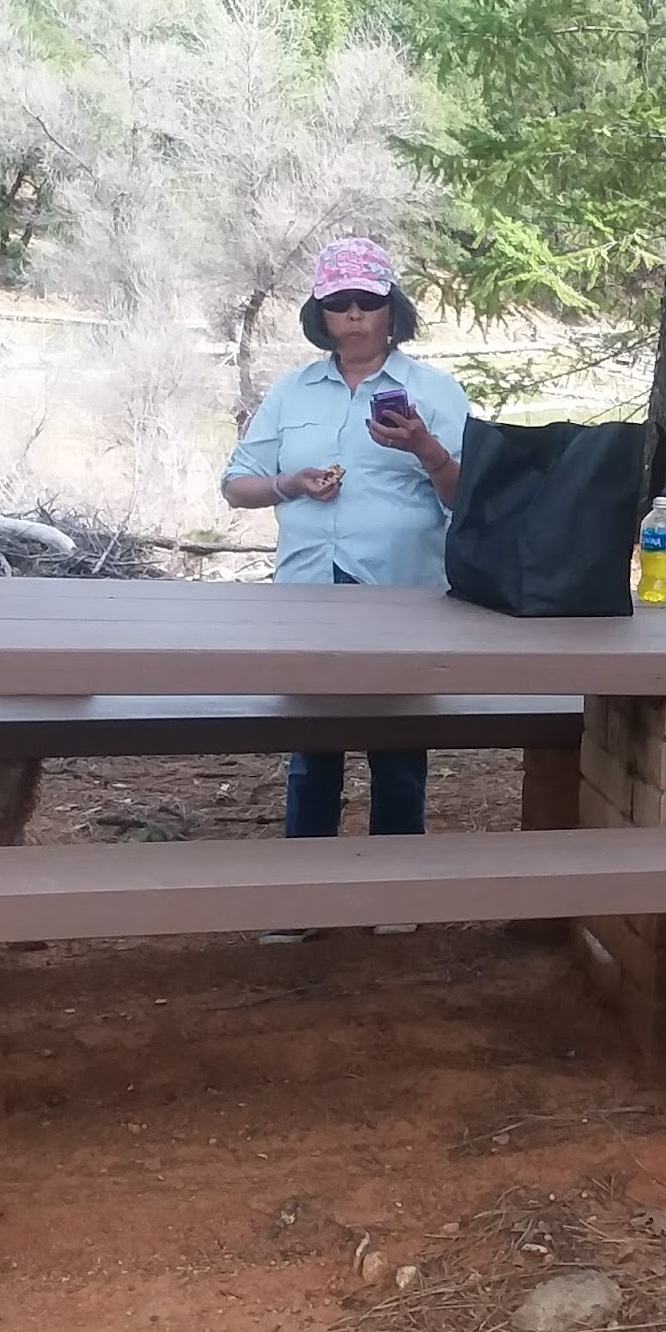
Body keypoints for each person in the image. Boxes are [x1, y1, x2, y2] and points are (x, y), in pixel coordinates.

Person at [221, 236, 471, 940]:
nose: (355, 316)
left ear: (393, 309)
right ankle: (305, 900)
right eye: (339, 304)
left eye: (368, 302)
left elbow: (469, 500)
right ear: (319, 314)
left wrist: (424, 448)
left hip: (402, 594)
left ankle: (392, 899)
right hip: (306, 594)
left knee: (398, 747)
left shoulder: (435, 392)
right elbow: (235, 486)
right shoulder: (290, 391)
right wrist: (289, 485)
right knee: (312, 749)